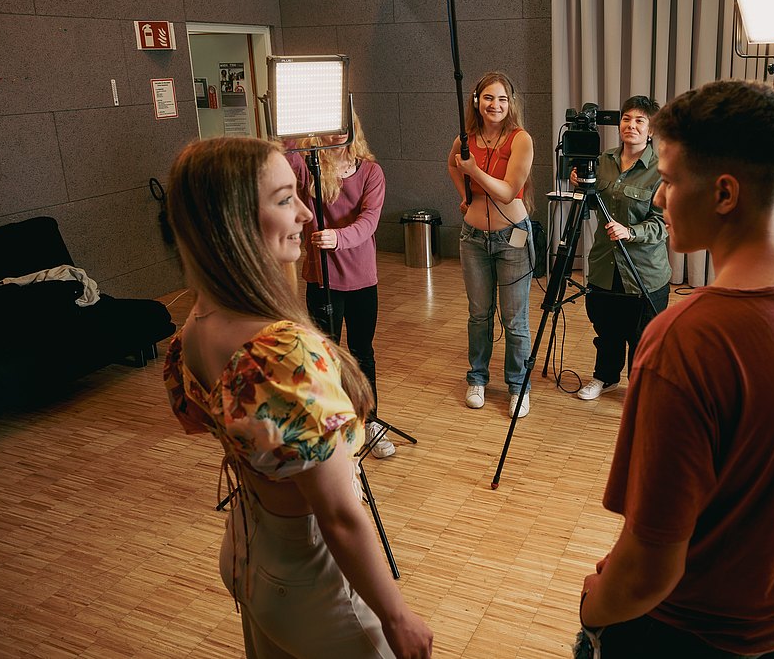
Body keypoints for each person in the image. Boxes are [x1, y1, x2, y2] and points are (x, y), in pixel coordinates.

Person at [577, 81, 774, 658]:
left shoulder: (682, 343)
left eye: (670, 181)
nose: (661, 199)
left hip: (685, 633)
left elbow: (649, 567)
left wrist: (592, 611)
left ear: (724, 193)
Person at [162, 136, 433, 659]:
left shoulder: (197, 322)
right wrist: (397, 616)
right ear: (235, 221)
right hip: (315, 583)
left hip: (251, 551)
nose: (307, 214)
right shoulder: (280, 353)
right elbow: (339, 516)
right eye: (286, 199)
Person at [293, 114, 394, 459]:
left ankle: (370, 421)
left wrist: (338, 237)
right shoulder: (308, 168)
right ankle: (333, 428)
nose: (338, 132)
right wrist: (294, 130)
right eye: (331, 123)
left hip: (362, 278)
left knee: (362, 352)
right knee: (327, 357)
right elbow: (280, 162)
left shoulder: (371, 172)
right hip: (322, 278)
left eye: (343, 124)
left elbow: (369, 221)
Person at [448, 71, 535, 418]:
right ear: (476, 101)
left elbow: (509, 191)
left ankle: (518, 386)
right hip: (473, 238)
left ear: (510, 103)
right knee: (479, 314)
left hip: (513, 237)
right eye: (488, 98)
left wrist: (473, 173)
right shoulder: (465, 139)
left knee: (515, 319)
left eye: (501, 99)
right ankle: (477, 379)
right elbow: (451, 165)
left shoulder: (520, 139)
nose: (495, 105)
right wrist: (465, 196)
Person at [572, 95, 670, 401]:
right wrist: (581, 183)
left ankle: (641, 388)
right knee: (606, 328)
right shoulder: (603, 161)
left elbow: (663, 223)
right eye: (626, 119)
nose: (631, 125)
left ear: (651, 130)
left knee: (643, 336)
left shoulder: (662, 170)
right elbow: (594, 204)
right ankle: (605, 378)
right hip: (605, 263)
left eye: (640, 120)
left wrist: (631, 232)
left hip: (644, 271)